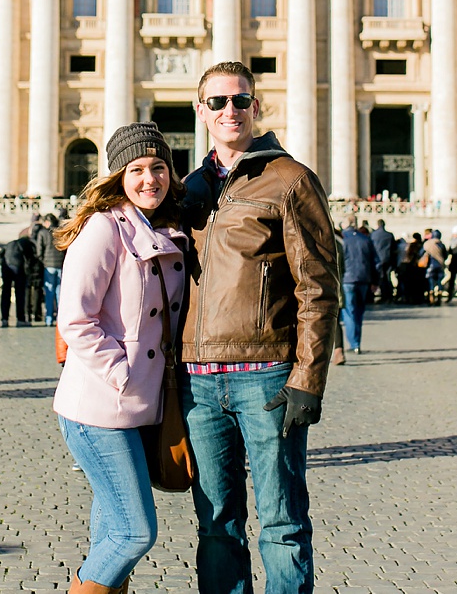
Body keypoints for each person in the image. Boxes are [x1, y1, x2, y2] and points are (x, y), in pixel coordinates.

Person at [181, 61, 338, 594]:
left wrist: (307, 379)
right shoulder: (188, 190)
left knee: (282, 521)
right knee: (216, 526)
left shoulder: (290, 179)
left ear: (255, 107)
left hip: (267, 378)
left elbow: (318, 287)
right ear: (201, 111)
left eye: (241, 101)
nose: (231, 111)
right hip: (198, 383)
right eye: (219, 102)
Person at [53, 123, 189, 594]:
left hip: (136, 408)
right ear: (118, 176)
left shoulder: (164, 227)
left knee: (111, 529)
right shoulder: (103, 227)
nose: (150, 178)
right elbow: (75, 318)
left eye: (158, 167)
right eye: (137, 170)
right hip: (100, 407)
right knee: (134, 531)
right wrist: (122, 374)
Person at [340, 221, 376, 355]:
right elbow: (374, 261)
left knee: (349, 311)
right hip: (364, 278)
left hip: (347, 279)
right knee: (360, 311)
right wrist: (375, 281)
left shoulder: (343, 239)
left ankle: (353, 342)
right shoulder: (366, 239)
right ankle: (357, 343)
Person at [37, 212, 64, 325]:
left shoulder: (43, 233)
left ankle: (49, 318)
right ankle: (60, 318)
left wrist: (43, 261)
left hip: (48, 265)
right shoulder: (60, 232)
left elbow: (39, 250)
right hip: (61, 264)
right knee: (60, 293)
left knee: (49, 292)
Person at [0, 229, 31, 327]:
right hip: (18, 268)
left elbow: (0, 254)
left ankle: (4, 319)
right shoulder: (26, 243)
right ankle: (20, 319)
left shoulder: (10, 243)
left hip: (6, 267)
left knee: (6, 293)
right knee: (20, 294)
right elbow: (30, 257)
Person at [369, 218, 396, 304]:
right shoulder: (389, 235)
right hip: (387, 259)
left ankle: (382, 295)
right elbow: (393, 248)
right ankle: (389, 295)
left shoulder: (373, 235)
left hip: (377, 259)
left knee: (379, 278)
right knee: (387, 278)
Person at [397, 232, 424, 306]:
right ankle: (418, 298)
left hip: (410, 267)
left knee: (409, 284)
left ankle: (408, 298)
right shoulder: (422, 245)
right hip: (419, 267)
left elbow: (409, 256)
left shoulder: (411, 246)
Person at [425, 229, 448, 306]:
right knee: (439, 281)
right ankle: (439, 295)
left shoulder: (428, 244)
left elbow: (422, 252)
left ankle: (431, 296)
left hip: (431, 265)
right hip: (440, 265)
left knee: (431, 281)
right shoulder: (441, 244)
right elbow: (446, 255)